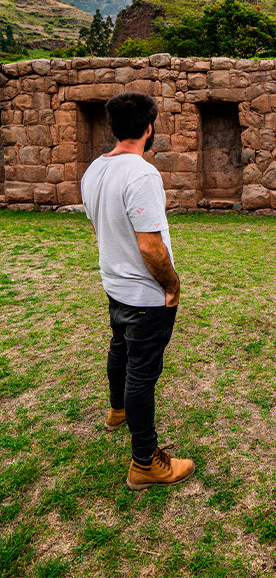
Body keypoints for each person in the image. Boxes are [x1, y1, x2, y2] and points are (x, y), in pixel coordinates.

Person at [81, 91, 195, 490]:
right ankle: (145, 462)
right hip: (145, 294)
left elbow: (100, 228)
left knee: (120, 350)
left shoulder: (94, 170)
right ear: (149, 129)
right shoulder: (142, 173)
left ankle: (117, 412)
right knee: (142, 373)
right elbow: (149, 244)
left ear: (113, 127)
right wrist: (172, 285)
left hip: (114, 283)